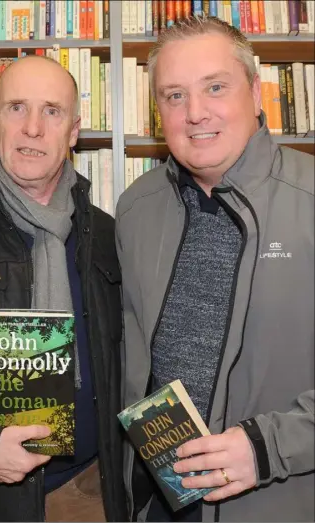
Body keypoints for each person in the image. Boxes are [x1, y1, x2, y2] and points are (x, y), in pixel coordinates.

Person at [116, 16, 314, 523]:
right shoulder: (135, 209)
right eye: (174, 96)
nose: (196, 113)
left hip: (281, 501)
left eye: (215, 87)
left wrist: (267, 448)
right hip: (157, 507)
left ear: (254, 91)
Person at [0, 55, 127, 523]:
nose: (33, 127)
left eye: (52, 111)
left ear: (73, 132)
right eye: (17, 107)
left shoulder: (108, 236)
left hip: (90, 491)